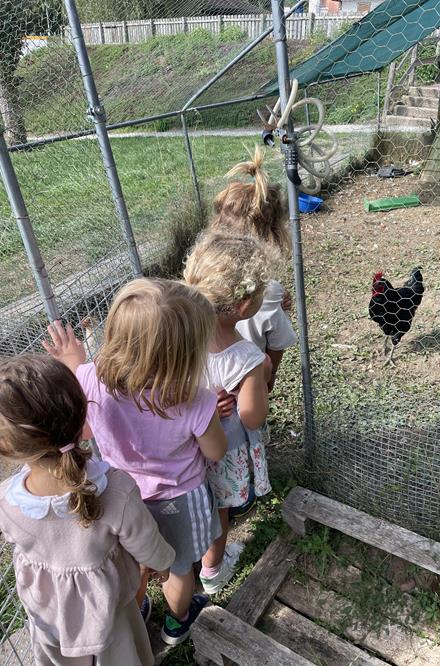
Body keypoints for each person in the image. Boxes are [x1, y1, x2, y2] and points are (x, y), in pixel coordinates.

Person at [43, 279, 228, 646]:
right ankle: (178, 622)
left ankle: (138, 611)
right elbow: (216, 452)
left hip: (121, 497)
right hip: (180, 500)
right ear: (185, 354)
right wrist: (215, 420)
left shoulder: (93, 381)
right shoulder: (195, 400)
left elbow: (85, 430)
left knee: (135, 564)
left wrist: (74, 363)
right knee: (177, 567)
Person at [0, 354, 175, 666]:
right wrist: (161, 564)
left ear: (8, 447)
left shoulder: (7, 501)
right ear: (82, 417)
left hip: (48, 612)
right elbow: (146, 542)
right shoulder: (117, 489)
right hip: (111, 609)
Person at [184, 232, 273, 594]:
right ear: (244, 304)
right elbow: (252, 417)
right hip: (225, 450)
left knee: (197, 504)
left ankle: (186, 560)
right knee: (219, 509)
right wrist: (261, 380)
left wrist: (203, 401)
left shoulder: (182, 340)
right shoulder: (247, 357)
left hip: (187, 448)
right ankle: (212, 571)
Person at [210, 146, 297, 391]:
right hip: (247, 385)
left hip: (206, 395)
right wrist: (268, 379)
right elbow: (277, 343)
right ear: (272, 236)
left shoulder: (199, 281)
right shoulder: (266, 292)